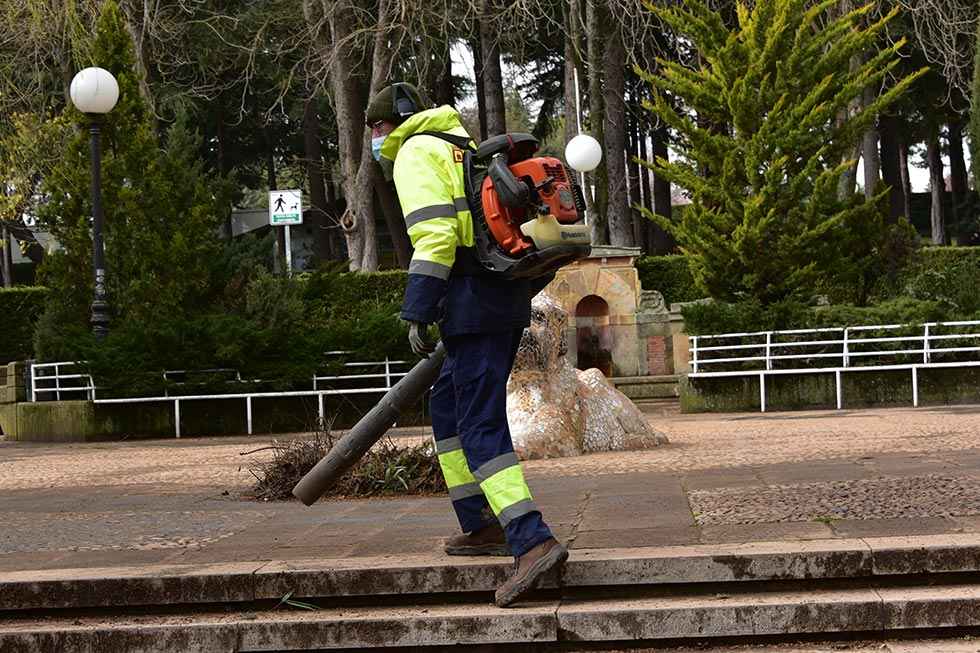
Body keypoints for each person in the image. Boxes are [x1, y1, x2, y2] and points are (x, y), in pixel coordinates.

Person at [366, 82, 567, 608]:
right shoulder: (460, 147)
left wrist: (416, 307)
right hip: (499, 294)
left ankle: (531, 539)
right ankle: (479, 523)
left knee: (480, 425)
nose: (374, 141)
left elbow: (435, 236)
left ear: (388, 125)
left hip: (472, 304)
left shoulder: (414, 153)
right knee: (451, 405)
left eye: (374, 130)